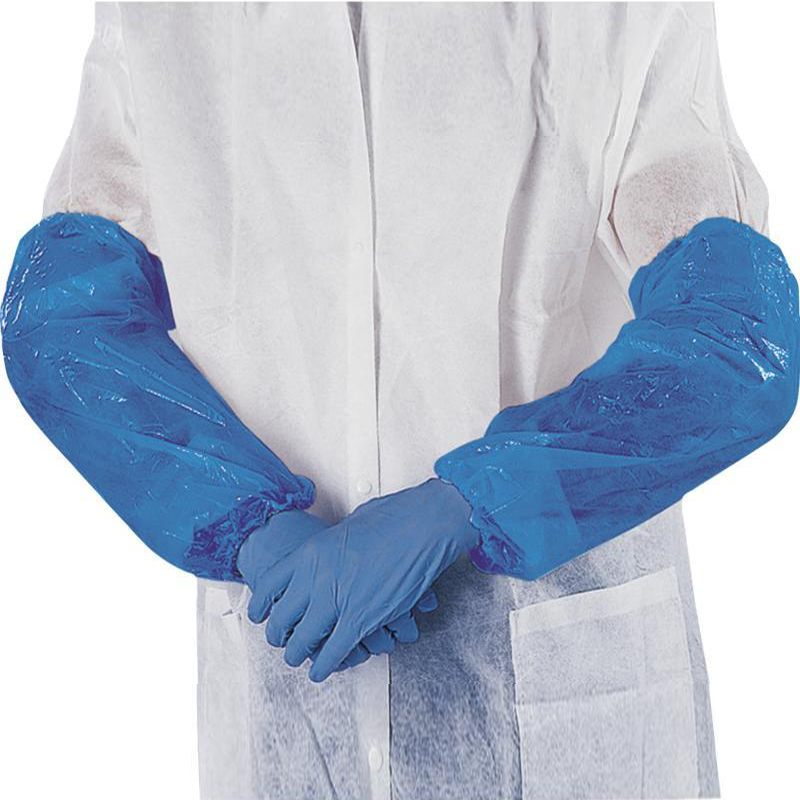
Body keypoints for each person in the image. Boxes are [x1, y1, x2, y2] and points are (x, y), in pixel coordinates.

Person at [3, 4, 798, 799]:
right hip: (289, 682)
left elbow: (734, 332)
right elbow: (66, 318)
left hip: (566, 695)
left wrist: (470, 505)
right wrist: (245, 522)